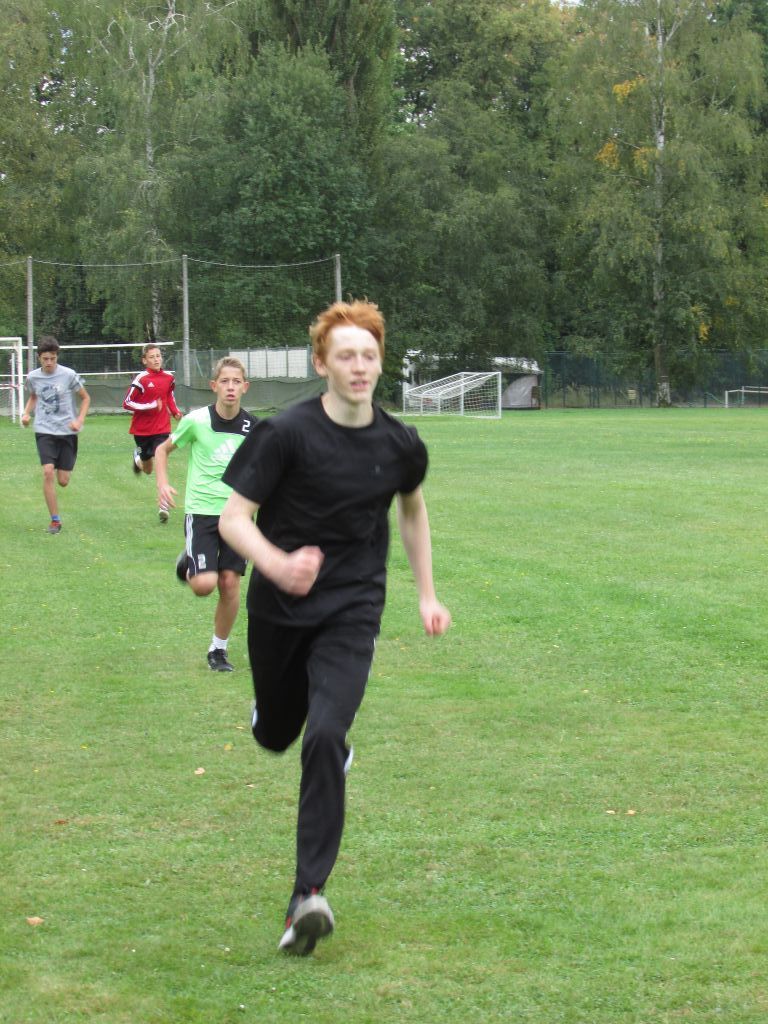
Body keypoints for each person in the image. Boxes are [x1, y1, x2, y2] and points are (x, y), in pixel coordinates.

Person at [218, 300, 451, 956]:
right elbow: (234, 519)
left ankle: (307, 898)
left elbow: (412, 509)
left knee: (325, 734)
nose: (358, 366)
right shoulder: (285, 434)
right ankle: (276, 718)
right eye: (345, 355)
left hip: (353, 607)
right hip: (278, 608)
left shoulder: (400, 444)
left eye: (369, 355)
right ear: (321, 363)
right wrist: (277, 564)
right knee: (276, 735)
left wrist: (427, 595)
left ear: (381, 362)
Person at [154, 357, 256, 672]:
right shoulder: (196, 421)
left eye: (236, 382)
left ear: (245, 387)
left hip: (238, 516)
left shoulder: (255, 428)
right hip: (201, 512)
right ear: (214, 386)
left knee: (230, 582)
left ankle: (218, 650)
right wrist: (162, 484)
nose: (230, 387)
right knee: (204, 586)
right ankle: (188, 562)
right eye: (224, 381)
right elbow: (161, 450)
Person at [21, 335, 91, 534]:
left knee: (63, 481)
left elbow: (86, 398)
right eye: (45, 359)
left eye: (53, 358)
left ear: (57, 357)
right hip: (44, 431)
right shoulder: (33, 377)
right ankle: (55, 521)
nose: (49, 362)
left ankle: (56, 515)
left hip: (67, 432)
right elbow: (33, 396)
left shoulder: (69, 375)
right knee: (47, 471)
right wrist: (26, 413)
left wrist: (79, 420)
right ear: (39, 358)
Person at [123, 342, 182, 522]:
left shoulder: (168, 378)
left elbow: (169, 396)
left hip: (162, 429)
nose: (156, 360)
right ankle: (138, 459)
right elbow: (127, 403)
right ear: (144, 360)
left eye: (158, 356)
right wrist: (150, 406)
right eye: (152, 357)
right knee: (148, 469)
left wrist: (175, 412)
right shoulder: (141, 379)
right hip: (142, 430)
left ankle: (163, 506)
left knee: (160, 461)